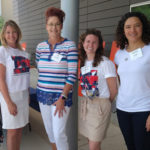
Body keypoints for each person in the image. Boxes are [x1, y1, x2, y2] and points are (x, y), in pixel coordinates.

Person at [36, 7, 78, 150]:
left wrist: (63, 97)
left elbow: (72, 74)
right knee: (50, 132)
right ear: (46, 26)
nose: (54, 27)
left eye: (57, 23)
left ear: (61, 26)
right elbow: (40, 69)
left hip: (61, 98)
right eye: (50, 24)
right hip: (42, 94)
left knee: (59, 133)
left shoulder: (69, 46)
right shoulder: (40, 47)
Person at [115, 12, 150, 150]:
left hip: (144, 109)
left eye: (137, 26)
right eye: (128, 27)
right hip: (123, 109)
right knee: (130, 146)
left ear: (143, 27)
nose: (132, 30)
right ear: (123, 31)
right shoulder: (119, 54)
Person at [78, 28, 118, 150]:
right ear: (83, 44)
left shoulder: (105, 63)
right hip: (86, 103)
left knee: (94, 144)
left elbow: (114, 90)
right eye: (88, 41)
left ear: (99, 45)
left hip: (100, 105)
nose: (90, 45)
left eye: (94, 42)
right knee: (90, 139)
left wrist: (105, 103)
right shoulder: (84, 62)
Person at [0, 20, 30, 150]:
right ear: (4, 34)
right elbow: (0, 79)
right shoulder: (2, 51)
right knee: (12, 132)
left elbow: (26, 76)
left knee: (19, 129)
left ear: (18, 33)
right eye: (8, 32)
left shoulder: (23, 52)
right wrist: (9, 102)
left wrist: (27, 94)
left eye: (14, 32)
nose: (11, 35)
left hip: (23, 95)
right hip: (10, 96)